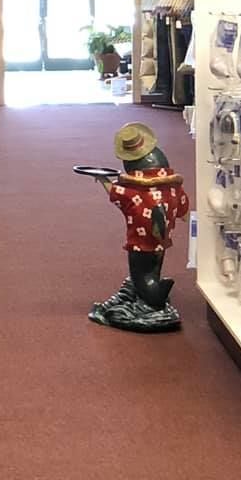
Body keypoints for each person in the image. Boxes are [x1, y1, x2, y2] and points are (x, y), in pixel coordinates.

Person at [89, 122, 191, 332]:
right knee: (154, 267)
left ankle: (154, 299)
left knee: (142, 273)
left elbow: (116, 194)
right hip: (162, 241)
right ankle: (152, 289)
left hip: (140, 243)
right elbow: (183, 209)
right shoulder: (172, 189)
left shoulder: (135, 193)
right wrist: (181, 215)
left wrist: (103, 180)